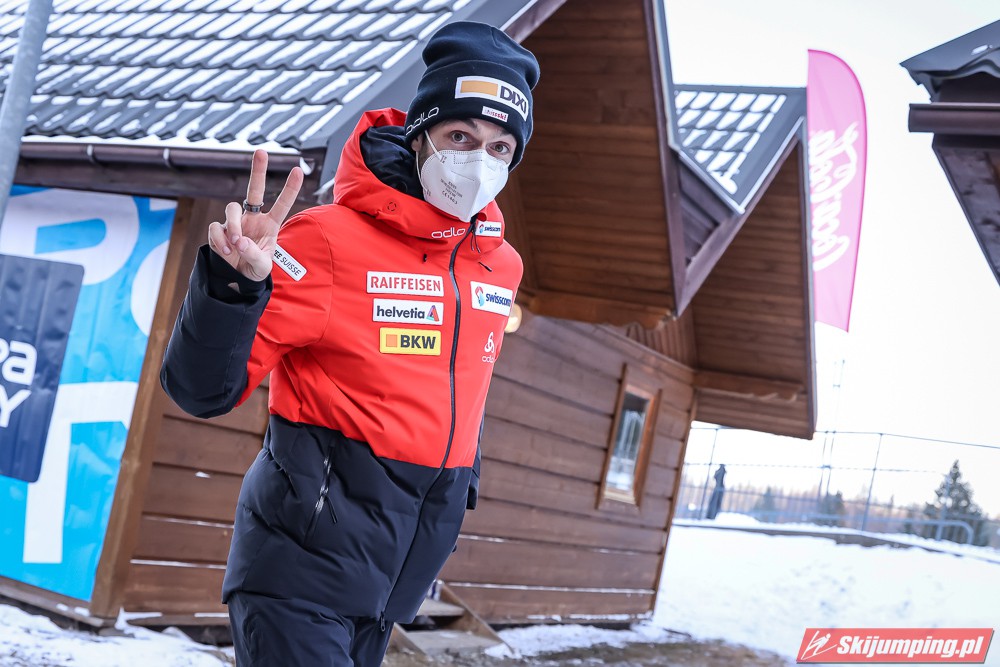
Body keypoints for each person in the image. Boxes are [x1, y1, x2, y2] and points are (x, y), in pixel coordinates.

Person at [160, 21, 539, 667]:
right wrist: (233, 284)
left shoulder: (498, 265)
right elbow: (201, 390)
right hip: (297, 575)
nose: (479, 162)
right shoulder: (326, 238)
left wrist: (462, 481)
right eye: (461, 137)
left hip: (392, 585)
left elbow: (457, 396)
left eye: (500, 147)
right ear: (420, 134)